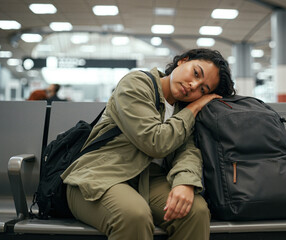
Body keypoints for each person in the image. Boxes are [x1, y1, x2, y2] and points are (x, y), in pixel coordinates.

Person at [61, 48, 236, 240]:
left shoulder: (182, 109)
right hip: (99, 175)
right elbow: (154, 142)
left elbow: (188, 151)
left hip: (147, 178)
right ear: (183, 61)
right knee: (134, 215)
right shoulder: (136, 83)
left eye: (203, 90)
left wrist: (185, 182)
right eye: (196, 73)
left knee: (195, 212)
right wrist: (194, 107)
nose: (193, 85)